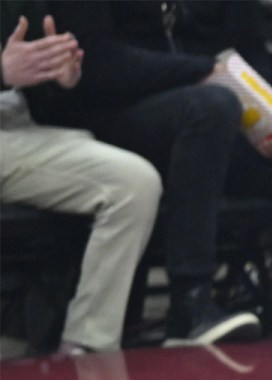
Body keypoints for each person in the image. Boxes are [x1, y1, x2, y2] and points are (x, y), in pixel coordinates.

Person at [26, 0, 272, 342]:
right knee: (210, 107)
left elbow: (249, 52)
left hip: (216, 117)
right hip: (119, 115)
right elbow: (98, 64)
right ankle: (190, 302)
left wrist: (263, 119)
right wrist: (201, 71)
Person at [1, 10, 159, 356]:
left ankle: (87, 343)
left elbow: (30, 87)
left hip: (15, 128)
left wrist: (59, 80)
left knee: (134, 181)